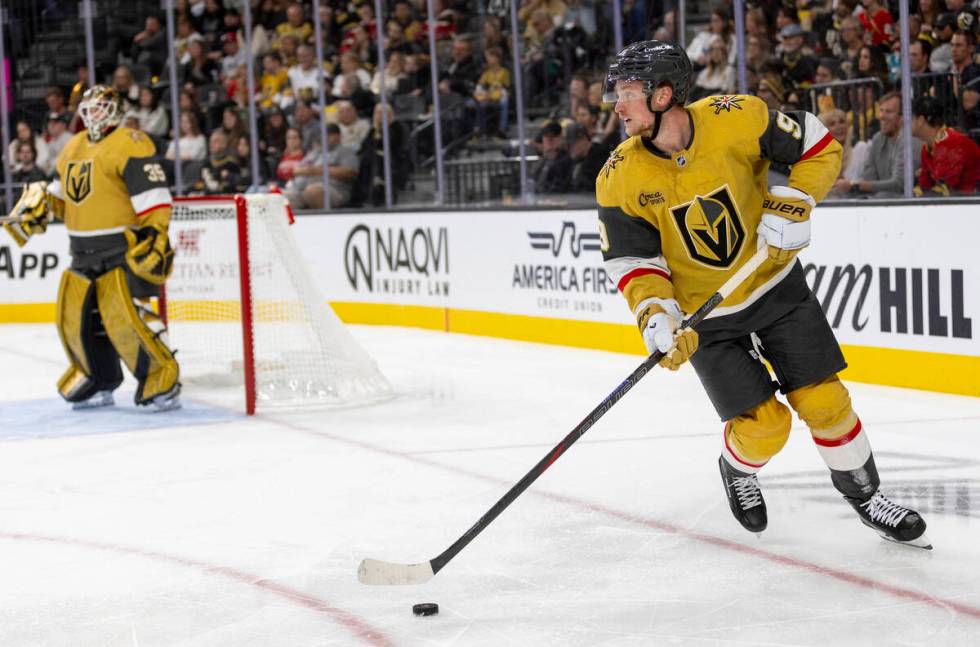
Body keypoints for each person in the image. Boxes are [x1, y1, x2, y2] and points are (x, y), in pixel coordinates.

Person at [595, 41, 929, 548]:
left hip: (775, 290)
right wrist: (656, 315)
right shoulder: (619, 177)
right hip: (707, 318)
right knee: (764, 428)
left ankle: (867, 498)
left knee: (826, 403)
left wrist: (793, 203)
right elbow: (635, 261)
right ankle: (737, 468)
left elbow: (818, 146)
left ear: (663, 95)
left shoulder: (738, 116)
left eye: (627, 93)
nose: (616, 106)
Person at [2, 85, 180, 411]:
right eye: (89, 108)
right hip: (81, 249)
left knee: (127, 317)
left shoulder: (131, 142)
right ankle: (98, 378)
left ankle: (162, 377)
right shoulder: (73, 146)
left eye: (99, 108)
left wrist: (155, 232)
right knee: (75, 319)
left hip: (120, 247)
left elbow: (153, 195)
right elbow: (63, 192)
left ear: (114, 110)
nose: (92, 114)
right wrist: (40, 203)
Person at [843, 92, 923, 196]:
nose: (881, 116)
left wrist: (855, 186)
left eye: (888, 112)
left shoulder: (910, 141)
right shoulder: (878, 139)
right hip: (879, 202)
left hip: (905, 203)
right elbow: (868, 177)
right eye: (881, 111)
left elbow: (900, 184)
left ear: (902, 117)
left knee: (882, 195)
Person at [910, 95, 980, 194]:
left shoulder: (951, 143)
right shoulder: (927, 149)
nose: (905, 123)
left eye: (910, 118)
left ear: (921, 120)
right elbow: (924, 187)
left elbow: (943, 191)